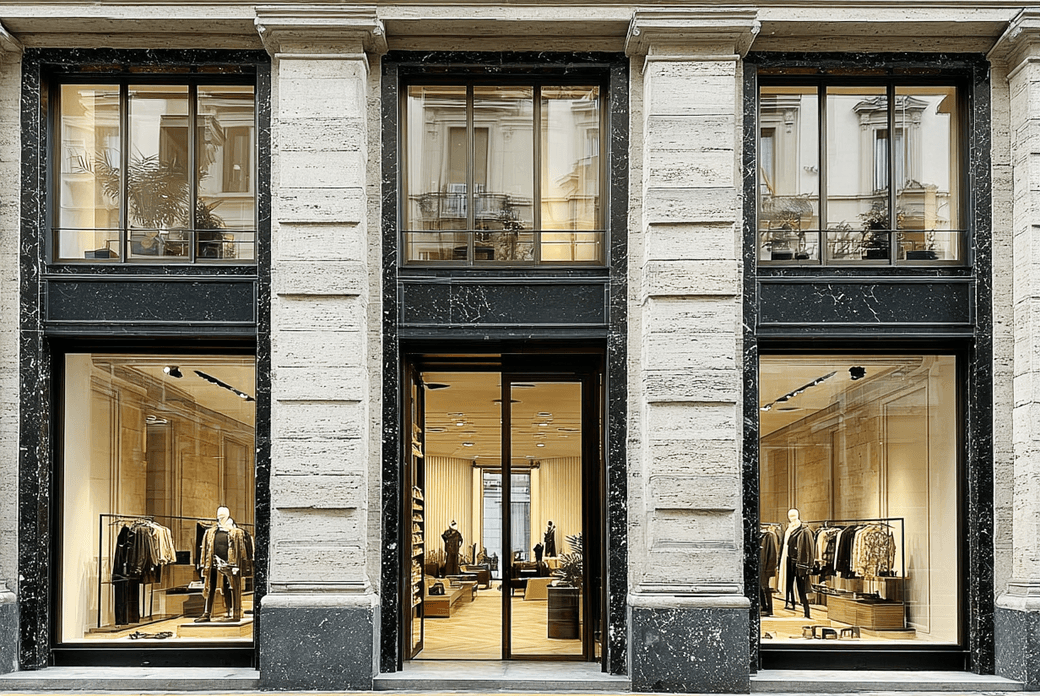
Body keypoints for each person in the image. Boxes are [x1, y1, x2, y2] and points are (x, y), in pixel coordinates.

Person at [195, 507, 252, 623]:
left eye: (223, 515)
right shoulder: (210, 532)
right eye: (219, 515)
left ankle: (236, 611)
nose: (220, 517)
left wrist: (243, 566)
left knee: (234, 587)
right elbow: (205, 549)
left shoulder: (237, 532)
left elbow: (242, 551)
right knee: (210, 586)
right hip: (213, 562)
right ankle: (207, 613)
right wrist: (203, 563)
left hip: (231, 563)